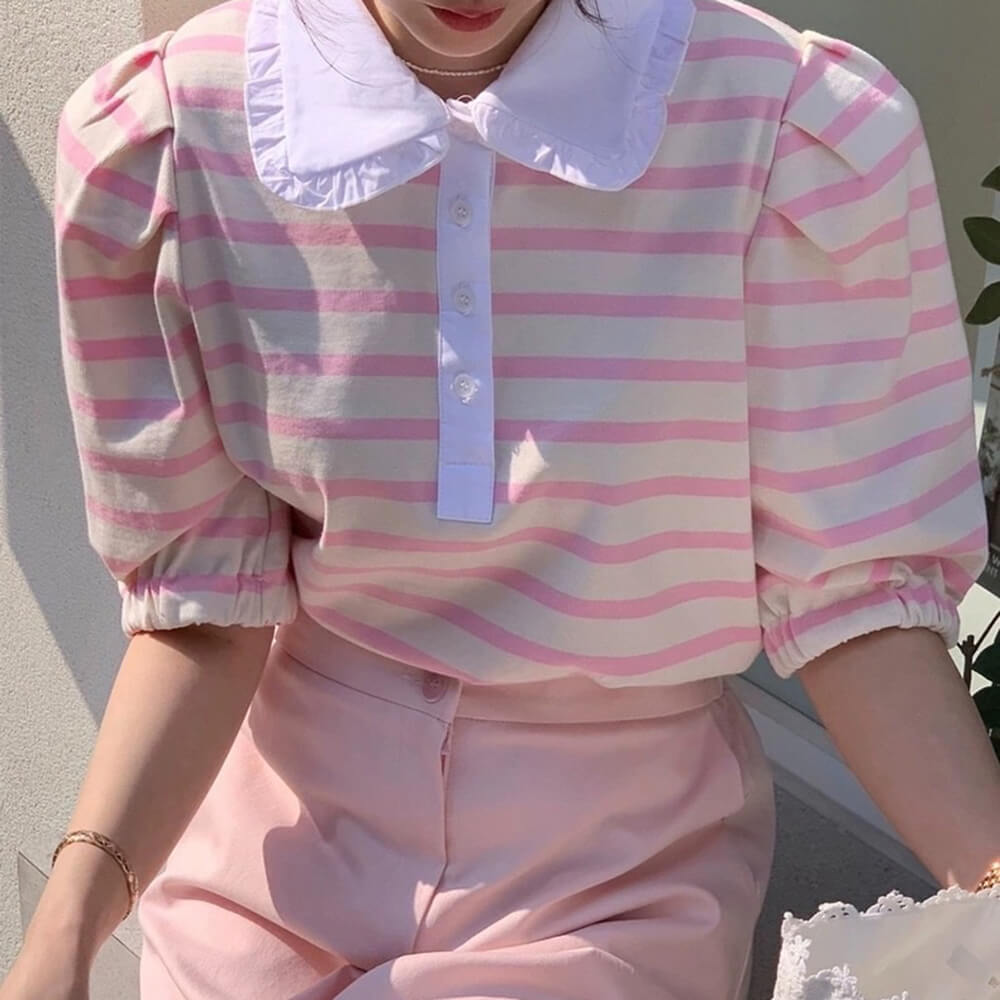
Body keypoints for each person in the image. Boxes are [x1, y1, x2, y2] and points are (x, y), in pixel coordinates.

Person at [4, 0, 1000, 994]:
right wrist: (69, 920)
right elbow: (207, 610)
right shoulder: (183, 131)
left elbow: (855, 602)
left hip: (614, 876)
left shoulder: (790, 131)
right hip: (260, 870)